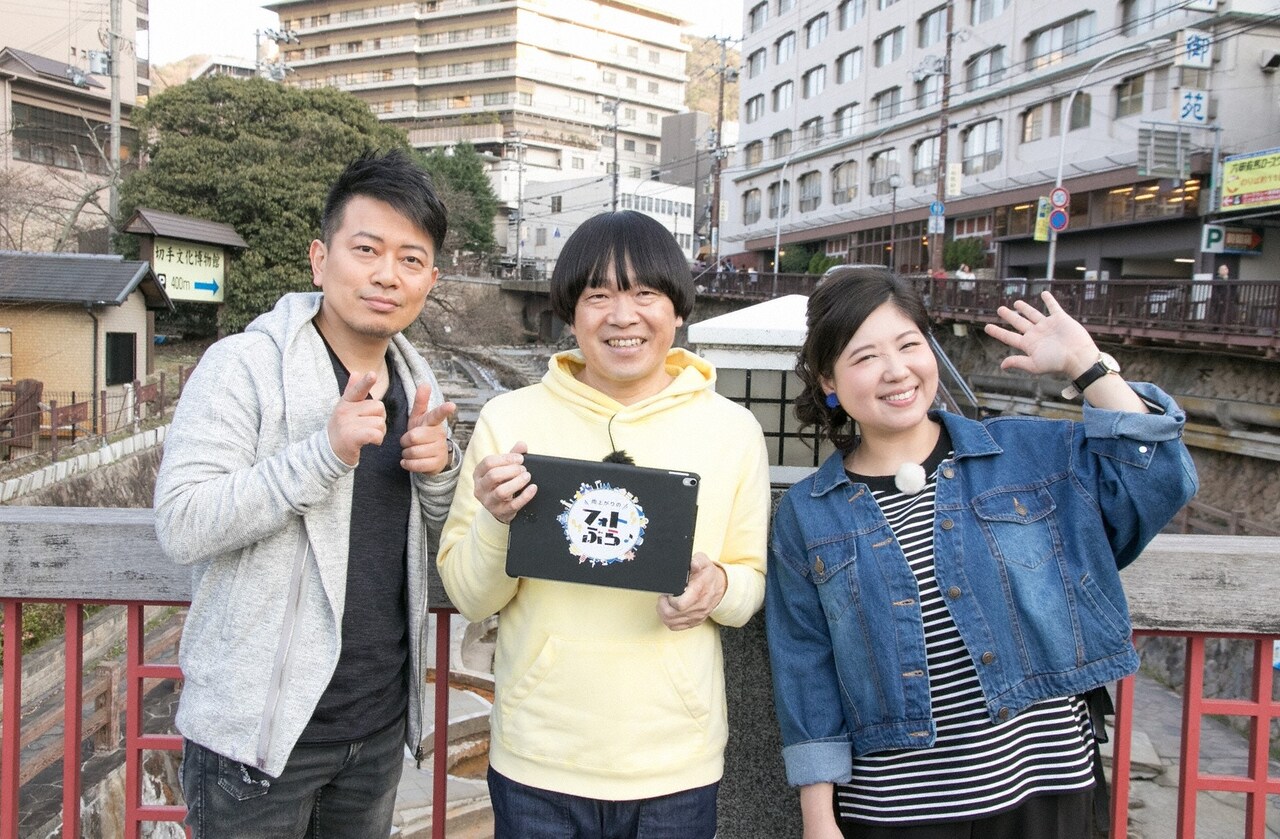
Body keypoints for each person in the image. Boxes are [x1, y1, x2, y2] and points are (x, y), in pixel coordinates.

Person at [766, 265, 1197, 839]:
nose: (896, 371)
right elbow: (806, 670)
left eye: (909, 345)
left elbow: (1161, 479)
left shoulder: (1028, 455)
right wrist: (818, 820)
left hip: (1045, 788)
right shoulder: (807, 513)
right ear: (828, 380)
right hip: (897, 811)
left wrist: (1088, 367)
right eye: (864, 357)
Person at [154, 149, 461, 838]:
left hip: (376, 732)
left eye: (411, 259)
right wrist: (322, 454)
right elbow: (182, 522)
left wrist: (441, 471)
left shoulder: (421, 389)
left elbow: (442, 543)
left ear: (430, 280)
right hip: (256, 737)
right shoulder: (243, 366)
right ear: (321, 259)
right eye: (367, 249)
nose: (387, 274)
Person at [437, 209, 770, 838]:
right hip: (538, 758)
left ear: (677, 310)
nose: (623, 316)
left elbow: (749, 582)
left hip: (677, 763)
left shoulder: (732, 429)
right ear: (571, 313)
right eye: (599, 296)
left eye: (645, 293)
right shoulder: (509, 422)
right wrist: (496, 520)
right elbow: (469, 594)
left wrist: (717, 589)